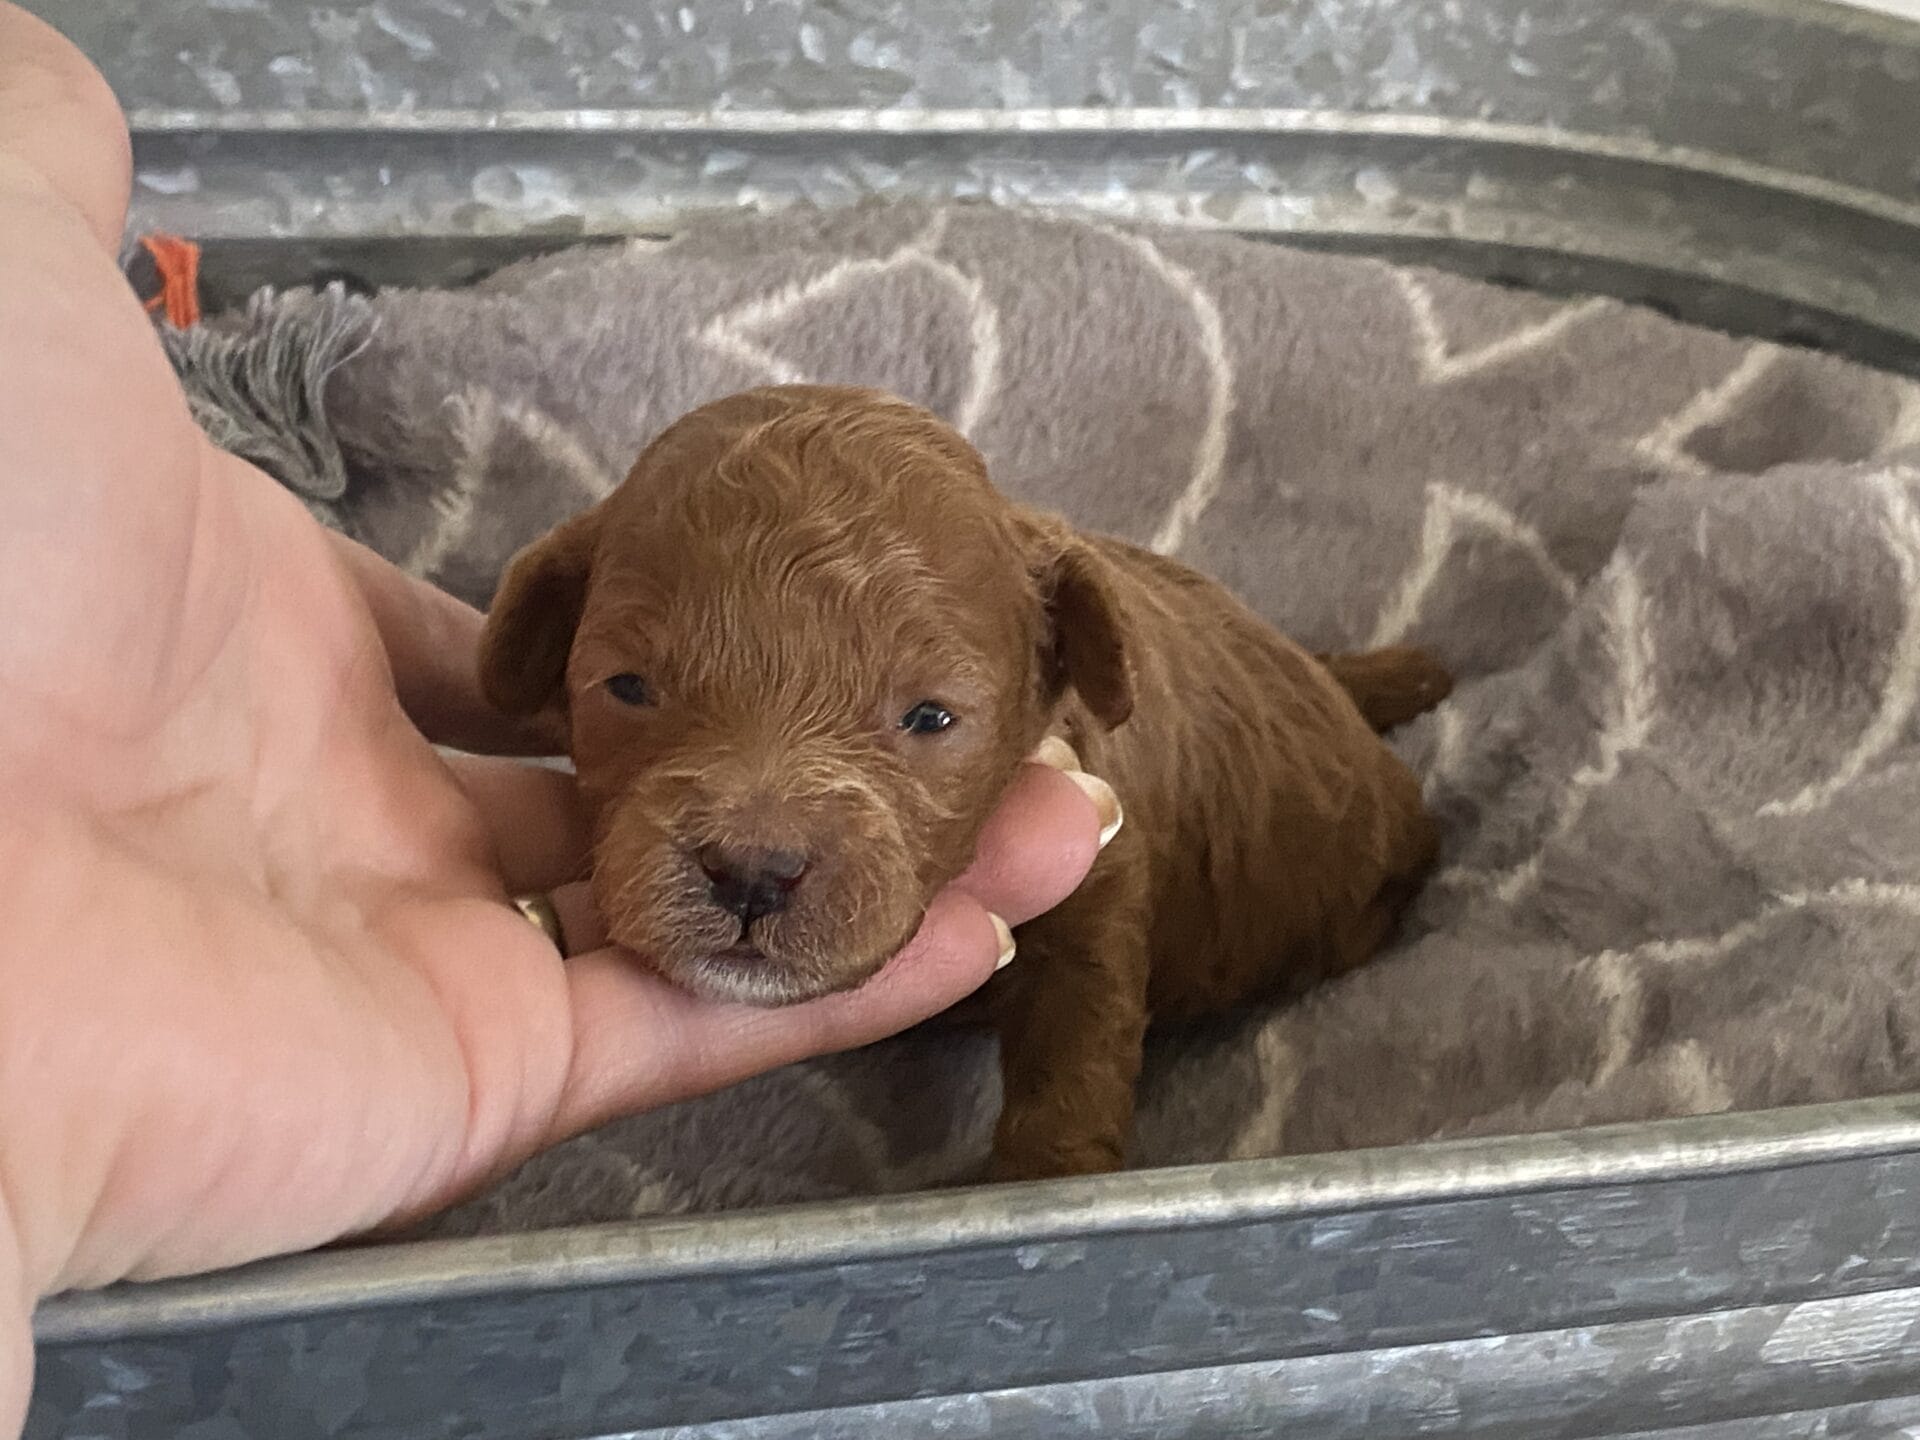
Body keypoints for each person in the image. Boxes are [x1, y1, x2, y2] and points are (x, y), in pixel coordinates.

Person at [0, 7, 1113, 1431]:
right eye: (637, 690)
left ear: (1055, 678)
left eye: (926, 718)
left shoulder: (1073, 685)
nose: (757, 837)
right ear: (544, 634)